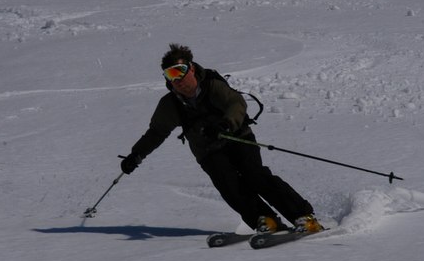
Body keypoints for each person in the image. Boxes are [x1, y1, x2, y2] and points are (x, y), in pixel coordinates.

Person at [120, 43, 324, 234]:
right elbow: (156, 132)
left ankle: (303, 217)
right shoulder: (170, 104)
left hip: (237, 138)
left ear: (191, 69)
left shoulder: (212, 86)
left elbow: (236, 103)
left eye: (179, 72)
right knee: (229, 185)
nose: (177, 80)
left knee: (255, 175)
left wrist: (226, 124)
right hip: (207, 150)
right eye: (170, 75)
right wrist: (136, 154)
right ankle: (266, 221)